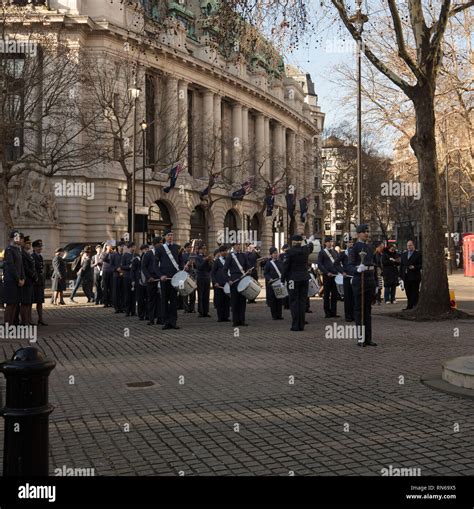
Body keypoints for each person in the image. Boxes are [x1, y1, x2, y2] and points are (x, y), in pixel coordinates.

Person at [348, 224, 377, 346]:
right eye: (364, 231)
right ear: (358, 234)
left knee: (368, 310)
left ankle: (368, 338)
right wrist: (356, 269)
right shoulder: (355, 248)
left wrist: (376, 283)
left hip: (369, 278)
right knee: (360, 309)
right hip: (360, 279)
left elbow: (374, 264)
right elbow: (349, 265)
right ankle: (361, 338)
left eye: (367, 231)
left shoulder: (369, 247)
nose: (366, 233)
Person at [281, 234, 313, 332]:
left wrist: (282, 279)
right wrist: (309, 241)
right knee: (302, 301)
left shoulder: (289, 252)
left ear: (293, 242)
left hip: (292, 279)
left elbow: (285, 267)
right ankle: (301, 324)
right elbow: (310, 247)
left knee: (294, 302)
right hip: (304, 278)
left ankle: (295, 325)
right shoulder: (305, 250)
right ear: (300, 242)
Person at [156, 230, 183, 330]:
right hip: (164, 278)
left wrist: (182, 269)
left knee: (174, 300)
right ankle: (166, 322)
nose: (171, 237)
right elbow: (155, 264)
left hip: (175, 278)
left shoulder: (177, 247)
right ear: (165, 237)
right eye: (169, 235)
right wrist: (160, 275)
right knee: (164, 300)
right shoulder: (160, 248)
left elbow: (181, 261)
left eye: (172, 235)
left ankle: (173, 322)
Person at [223, 242, 250, 327]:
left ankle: (242, 320)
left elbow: (247, 267)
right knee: (235, 302)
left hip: (242, 280)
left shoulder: (243, 255)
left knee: (242, 301)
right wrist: (228, 280)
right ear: (233, 246)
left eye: (239, 245)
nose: (238, 246)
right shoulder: (230, 256)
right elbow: (224, 270)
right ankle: (235, 321)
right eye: (237, 245)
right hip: (234, 281)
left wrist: (250, 270)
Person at [3, 230, 25, 325]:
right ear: (12, 238)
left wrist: (23, 278)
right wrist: (18, 279)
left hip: (18, 281)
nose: (19, 239)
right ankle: (7, 324)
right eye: (17, 237)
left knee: (15, 304)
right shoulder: (9, 250)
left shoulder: (17, 249)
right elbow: (11, 266)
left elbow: (21, 266)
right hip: (11, 281)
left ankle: (11, 324)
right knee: (10, 304)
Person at [317, 236, 340, 318]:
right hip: (327, 276)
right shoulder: (322, 252)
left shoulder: (335, 252)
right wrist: (326, 272)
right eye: (329, 241)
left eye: (331, 241)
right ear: (325, 243)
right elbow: (320, 264)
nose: (331, 243)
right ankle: (327, 312)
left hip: (335, 275)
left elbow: (338, 263)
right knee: (326, 294)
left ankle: (334, 312)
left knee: (334, 294)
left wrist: (339, 271)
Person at [142, 237, 162, 326]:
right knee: (151, 300)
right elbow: (143, 267)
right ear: (155, 244)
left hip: (160, 279)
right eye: (160, 243)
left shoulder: (163, 253)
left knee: (160, 300)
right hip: (151, 280)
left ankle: (160, 318)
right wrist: (149, 277)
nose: (161, 244)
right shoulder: (148, 254)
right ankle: (151, 319)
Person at [400, 240, 422, 311]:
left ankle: (415, 305)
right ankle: (409, 305)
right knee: (408, 291)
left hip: (415, 276)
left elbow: (421, 264)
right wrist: (400, 275)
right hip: (406, 276)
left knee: (414, 292)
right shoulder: (404, 254)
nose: (409, 247)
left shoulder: (418, 254)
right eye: (408, 245)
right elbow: (402, 265)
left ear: (413, 246)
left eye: (410, 245)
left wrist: (415, 267)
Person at [20, 236, 37, 325]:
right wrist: (33, 275)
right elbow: (25, 267)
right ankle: (24, 321)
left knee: (29, 302)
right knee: (25, 302)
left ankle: (28, 320)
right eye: (28, 243)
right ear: (23, 244)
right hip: (26, 280)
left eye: (30, 243)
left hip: (30, 280)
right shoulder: (22, 253)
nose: (29, 245)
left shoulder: (27, 253)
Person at [336, 239, 354, 322]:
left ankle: (354, 315)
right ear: (346, 243)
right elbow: (336, 263)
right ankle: (348, 316)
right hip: (347, 277)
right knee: (347, 297)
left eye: (352, 242)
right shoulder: (343, 253)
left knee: (354, 297)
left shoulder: (356, 252)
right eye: (349, 242)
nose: (351, 243)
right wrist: (342, 271)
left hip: (354, 277)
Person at [211, 245, 230, 322]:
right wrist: (215, 282)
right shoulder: (217, 261)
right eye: (223, 251)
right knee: (220, 301)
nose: (225, 252)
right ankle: (220, 317)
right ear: (220, 252)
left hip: (227, 283)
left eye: (226, 251)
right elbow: (213, 273)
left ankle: (226, 316)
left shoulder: (228, 260)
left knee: (226, 301)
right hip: (219, 284)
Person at [264, 247, 284, 320]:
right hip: (272, 283)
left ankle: (279, 315)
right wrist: (269, 279)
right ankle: (274, 315)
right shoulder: (268, 263)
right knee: (273, 300)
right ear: (271, 255)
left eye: (277, 253)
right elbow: (265, 273)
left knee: (279, 299)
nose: (276, 254)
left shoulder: (280, 262)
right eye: (274, 253)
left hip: (279, 283)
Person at [32, 239, 47, 325]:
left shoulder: (40, 256)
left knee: (40, 302)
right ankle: (29, 320)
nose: (40, 248)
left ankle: (40, 319)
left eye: (40, 246)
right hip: (35, 282)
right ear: (34, 248)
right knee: (30, 302)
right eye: (38, 247)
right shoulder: (32, 256)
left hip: (40, 282)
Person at [195, 245, 212, 318]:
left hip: (207, 277)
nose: (204, 250)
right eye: (202, 249)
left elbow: (209, 269)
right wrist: (205, 260)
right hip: (200, 277)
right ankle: (201, 311)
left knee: (206, 295)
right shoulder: (197, 257)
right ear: (199, 250)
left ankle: (206, 311)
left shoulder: (206, 257)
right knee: (200, 295)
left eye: (205, 249)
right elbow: (199, 267)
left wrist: (210, 262)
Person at [121, 242, 136, 316]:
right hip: (127, 276)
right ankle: (127, 310)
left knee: (134, 295)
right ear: (130, 248)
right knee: (127, 294)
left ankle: (133, 311)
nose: (135, 248)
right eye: (133, 247)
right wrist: (129, 267)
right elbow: (122, 266)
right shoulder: (125, 256)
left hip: (134, 277)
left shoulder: (136, 255)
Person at [135, 244, 149, 321]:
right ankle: (141, 314)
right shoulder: (139, 258)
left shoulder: (148, 257)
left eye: (147, 249)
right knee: (141, 299)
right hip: (141, 281)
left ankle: (147, 314)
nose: (146, 250)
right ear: (142, 250)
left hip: (147, 281)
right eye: (145, 249)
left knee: (147, 299)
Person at [182, 242, 196, 313]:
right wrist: (185, 265)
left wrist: (193, 263)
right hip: (185, 275)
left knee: (192, 293)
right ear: (185, 248)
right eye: (188, 247)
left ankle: (192, 308)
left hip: (192, 275)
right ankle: (186, 308)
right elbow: (181, 264)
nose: (189, 249)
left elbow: (196, 265)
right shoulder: (183, 255)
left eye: (190, 247)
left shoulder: (193, 255)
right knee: (185, 292)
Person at [111, 242, 125, 313]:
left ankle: (122, 307)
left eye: (123, 246)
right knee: (116, 292)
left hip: (123, 276)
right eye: (121, 246)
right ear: (118, 247)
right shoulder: (114, 255)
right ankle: (117, 307)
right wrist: (116, 269)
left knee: (123, 292)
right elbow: (111, 266)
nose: (122, 248)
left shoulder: (124, 255)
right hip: (116, 276)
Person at [100, 244, 114, 308]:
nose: (110, 247)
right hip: (105, 271)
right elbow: (103, 259)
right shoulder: (103, 253)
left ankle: (111, 302)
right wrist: (107, 253)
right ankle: (106, 302)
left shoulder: (113, 253)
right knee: (105, 287)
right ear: (106, 247)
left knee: (111, 287)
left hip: (111, 271)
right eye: (108, 246)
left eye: (111, 246)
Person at [279, 244, 290, 310]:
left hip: (287, 274)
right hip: (285, 274)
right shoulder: (282, 255)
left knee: (288, 290)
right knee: (285, 290)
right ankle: (285, 304)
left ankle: (287, 303)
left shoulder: (285, 255)